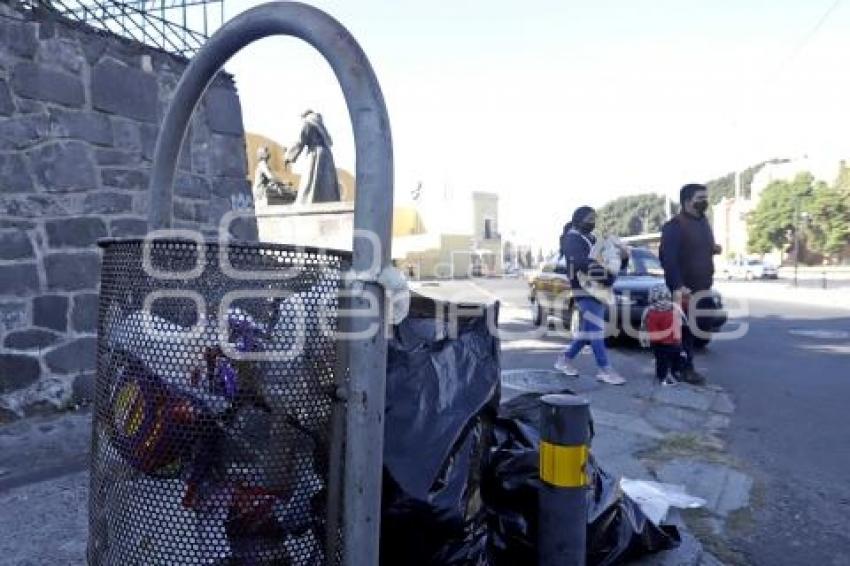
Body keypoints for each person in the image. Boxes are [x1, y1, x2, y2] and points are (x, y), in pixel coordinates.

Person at [554, 206, 629, 385]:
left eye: (594, 218)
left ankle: (564, 360)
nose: (592, 222)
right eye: (588, 219)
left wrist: (623, 257)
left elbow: (610, 259)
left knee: (588, 331)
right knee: (596, 330)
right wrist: (608, 277)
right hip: (584, 290)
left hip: (597, 288)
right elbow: (580, 263)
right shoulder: (572, 239)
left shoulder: (592, 238)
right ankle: (605, 369)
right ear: (577, 219)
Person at [659, 183, 722, 385]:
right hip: (684, 289)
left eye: (706, 197)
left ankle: (677, 365)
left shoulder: (703, 222)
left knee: (700, 327)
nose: (705, 201)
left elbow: (696, 248)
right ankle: (684, 369)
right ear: (687, 201)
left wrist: (713, 249)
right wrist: (678, 286)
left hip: (703, 287)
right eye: (700, 197)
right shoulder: (675, 226)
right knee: (684, 332)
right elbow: (668, 259)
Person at [640, 284, 688, 386]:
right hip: (674, 341)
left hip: (659, 342)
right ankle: (674, 373)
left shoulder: (649, 310)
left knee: (661, 360)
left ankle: (662, 376)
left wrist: (645, 339)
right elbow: (684, 320)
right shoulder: (674, 307)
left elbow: (644, 325)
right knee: (678, 357)